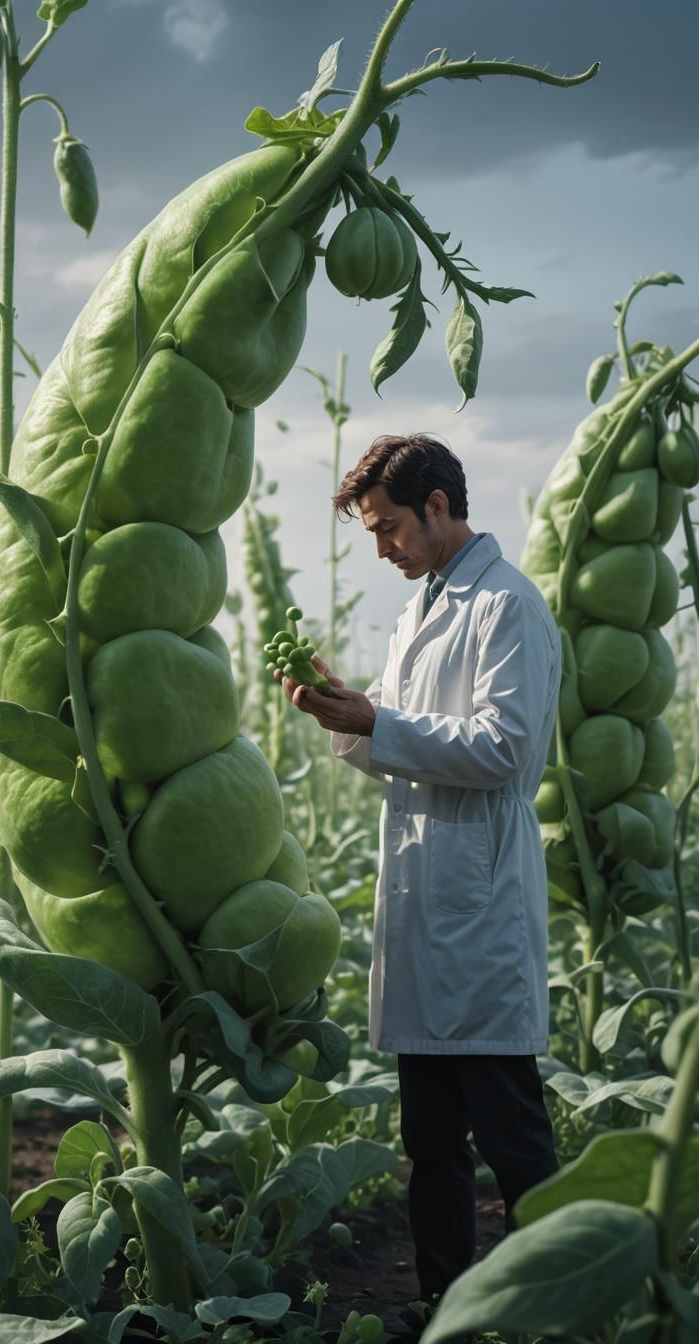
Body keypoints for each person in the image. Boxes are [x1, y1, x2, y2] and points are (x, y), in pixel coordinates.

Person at [279, 432, 562, 1314]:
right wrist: (349, 712)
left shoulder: (507, 605)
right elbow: (397, 747)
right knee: (431, 1140)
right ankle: (448, 1307)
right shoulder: (421, 609)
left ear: (439, 506)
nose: (382, 548)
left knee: (513, 1138)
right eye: (371, 531)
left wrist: (381, 720)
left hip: (477, 910)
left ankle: (562, 1305)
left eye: (390, 527)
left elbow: (509, 751)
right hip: (422, 906)